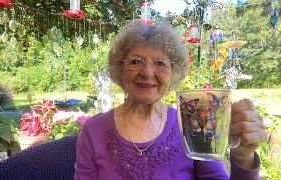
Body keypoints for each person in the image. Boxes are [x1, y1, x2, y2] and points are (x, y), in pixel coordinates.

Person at [74, 20, 266, 180]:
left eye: (160, 63)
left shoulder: (193, 126)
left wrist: (243, 158)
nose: (147, 72)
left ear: (173, 73)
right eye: (135, 61)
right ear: (119, 69)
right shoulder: (93, 130)